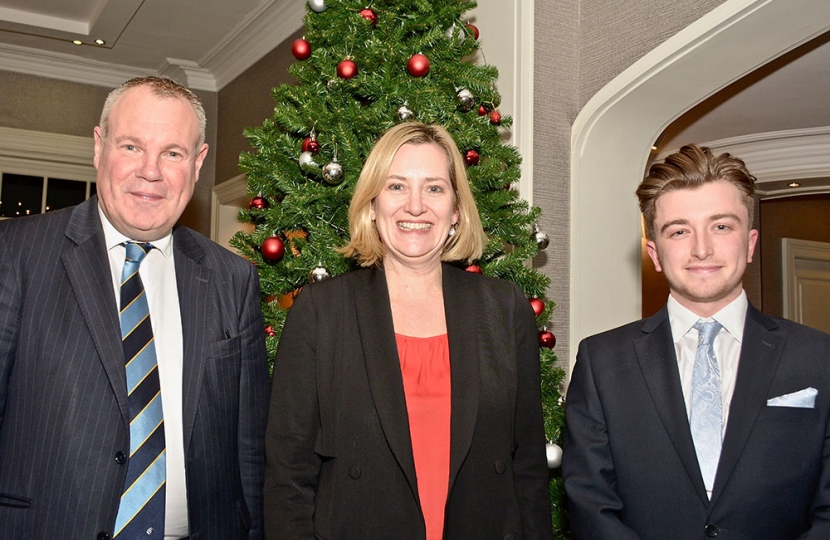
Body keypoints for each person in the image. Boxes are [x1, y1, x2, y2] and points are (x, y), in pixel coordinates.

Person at [0, 76, 269, 540]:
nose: (151, 171)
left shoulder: (233, 279)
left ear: (198, 162)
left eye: (173, 153)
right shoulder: (16, 253)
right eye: (131, 146)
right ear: (99, 146)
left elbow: (248, 450)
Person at [263, 122, 553, 540]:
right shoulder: (322, 311)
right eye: (397, 186)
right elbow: (287, 474)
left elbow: (528, 467)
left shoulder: (504, 308)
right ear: (372, 205)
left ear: (456, 210)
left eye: (434, 188)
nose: (415, 206)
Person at [562, 144, 830, 540]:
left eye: (721, 226)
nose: (701, 248)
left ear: (750, 243)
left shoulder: (818, 356)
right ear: (655, 253)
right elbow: (589, 502)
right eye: (679, 230)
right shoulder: (602, 361)